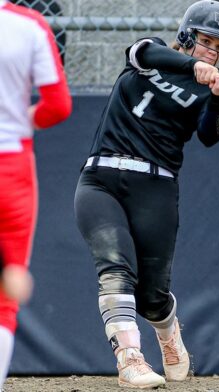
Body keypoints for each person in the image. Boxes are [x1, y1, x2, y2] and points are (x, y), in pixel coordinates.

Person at [73, 0, 219, 388]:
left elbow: (212, 136)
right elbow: (140, 51)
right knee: (115, 269)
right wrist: (192, 66)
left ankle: (169, 336)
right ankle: (130, 358)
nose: (212, 52)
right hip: (101, 178)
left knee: (152, 296)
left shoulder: (205, 88)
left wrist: (218, 96)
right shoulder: (151, 54)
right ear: (186, 36)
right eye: (205, 41)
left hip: (155, 186)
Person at [0, 0, 72, 387]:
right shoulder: (28, 24)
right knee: (5, 292)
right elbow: (58, 106)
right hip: (10, 165)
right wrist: (28, 118)